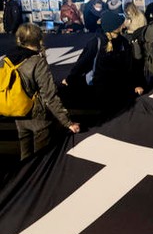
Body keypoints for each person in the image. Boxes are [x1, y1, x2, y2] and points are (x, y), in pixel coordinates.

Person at [5, 23, 80, 160]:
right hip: (38, 117)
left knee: (25, 157)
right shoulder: (37, 62)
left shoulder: (8, 59)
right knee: (41, 160)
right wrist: (68, 123)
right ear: (39, 39)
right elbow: (50, 96)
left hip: (18, 113)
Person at [62, 10, 144, 122]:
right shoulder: (96, 42)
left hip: (119, 90)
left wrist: (136, 84)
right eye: (119, 23)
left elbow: (130, 66)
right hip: (101, 92)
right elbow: (82, 64)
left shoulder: (123, 42)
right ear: (113, 26)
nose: (123, 25)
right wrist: (70, 79)